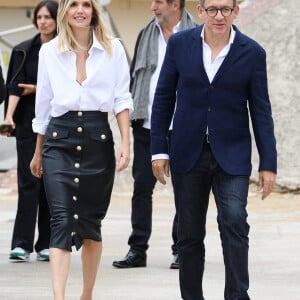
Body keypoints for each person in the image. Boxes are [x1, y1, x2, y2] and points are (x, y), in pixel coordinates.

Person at [151, 0, 277, 299]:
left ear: (236, 11)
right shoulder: (180, 45)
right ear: (200, 10)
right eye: (212, 9)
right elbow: (164, 97)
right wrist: (159, 149)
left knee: (234, 222)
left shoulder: (252, 52)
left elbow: (261, 110)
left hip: (232, 154)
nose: (218, 16)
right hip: (186, 151)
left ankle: (237, 295)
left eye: (225, 9)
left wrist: (268, 162)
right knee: (190, 233)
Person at [30, 0, 132, 299]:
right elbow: (44, 106)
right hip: (58, 142)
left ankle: (86, 294)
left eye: (86, 4)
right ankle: (58, 297)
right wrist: (38, 151)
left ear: (93, 10)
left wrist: (126, 141)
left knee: (90, 223)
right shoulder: (49, 51)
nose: (80, 10)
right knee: (60, 220)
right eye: (73, 3)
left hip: (98, 142)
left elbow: (122, 99)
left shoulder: (112, 49)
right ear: (64, 11)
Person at [112, 0, 197, 270]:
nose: (152, 7)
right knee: (141, 189)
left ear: (176, 5)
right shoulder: (145, 35)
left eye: (159, 2)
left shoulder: (197, 35)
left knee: (185, 190)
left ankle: (181, 249)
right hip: (148, 124)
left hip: (185, 126)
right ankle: (137, 249)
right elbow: (134, 77)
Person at [1, 0, 58, 262]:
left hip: (57, 126)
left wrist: (37, 89)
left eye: (48, 17)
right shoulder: (24, 50)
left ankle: (45, 243)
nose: (43, 21)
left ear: (58, 20)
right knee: (28, 183)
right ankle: (21, 244)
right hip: (27, 124)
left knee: (49, 184)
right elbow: (13, 86)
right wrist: (9, 118)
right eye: (40, 17)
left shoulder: (64, 50)